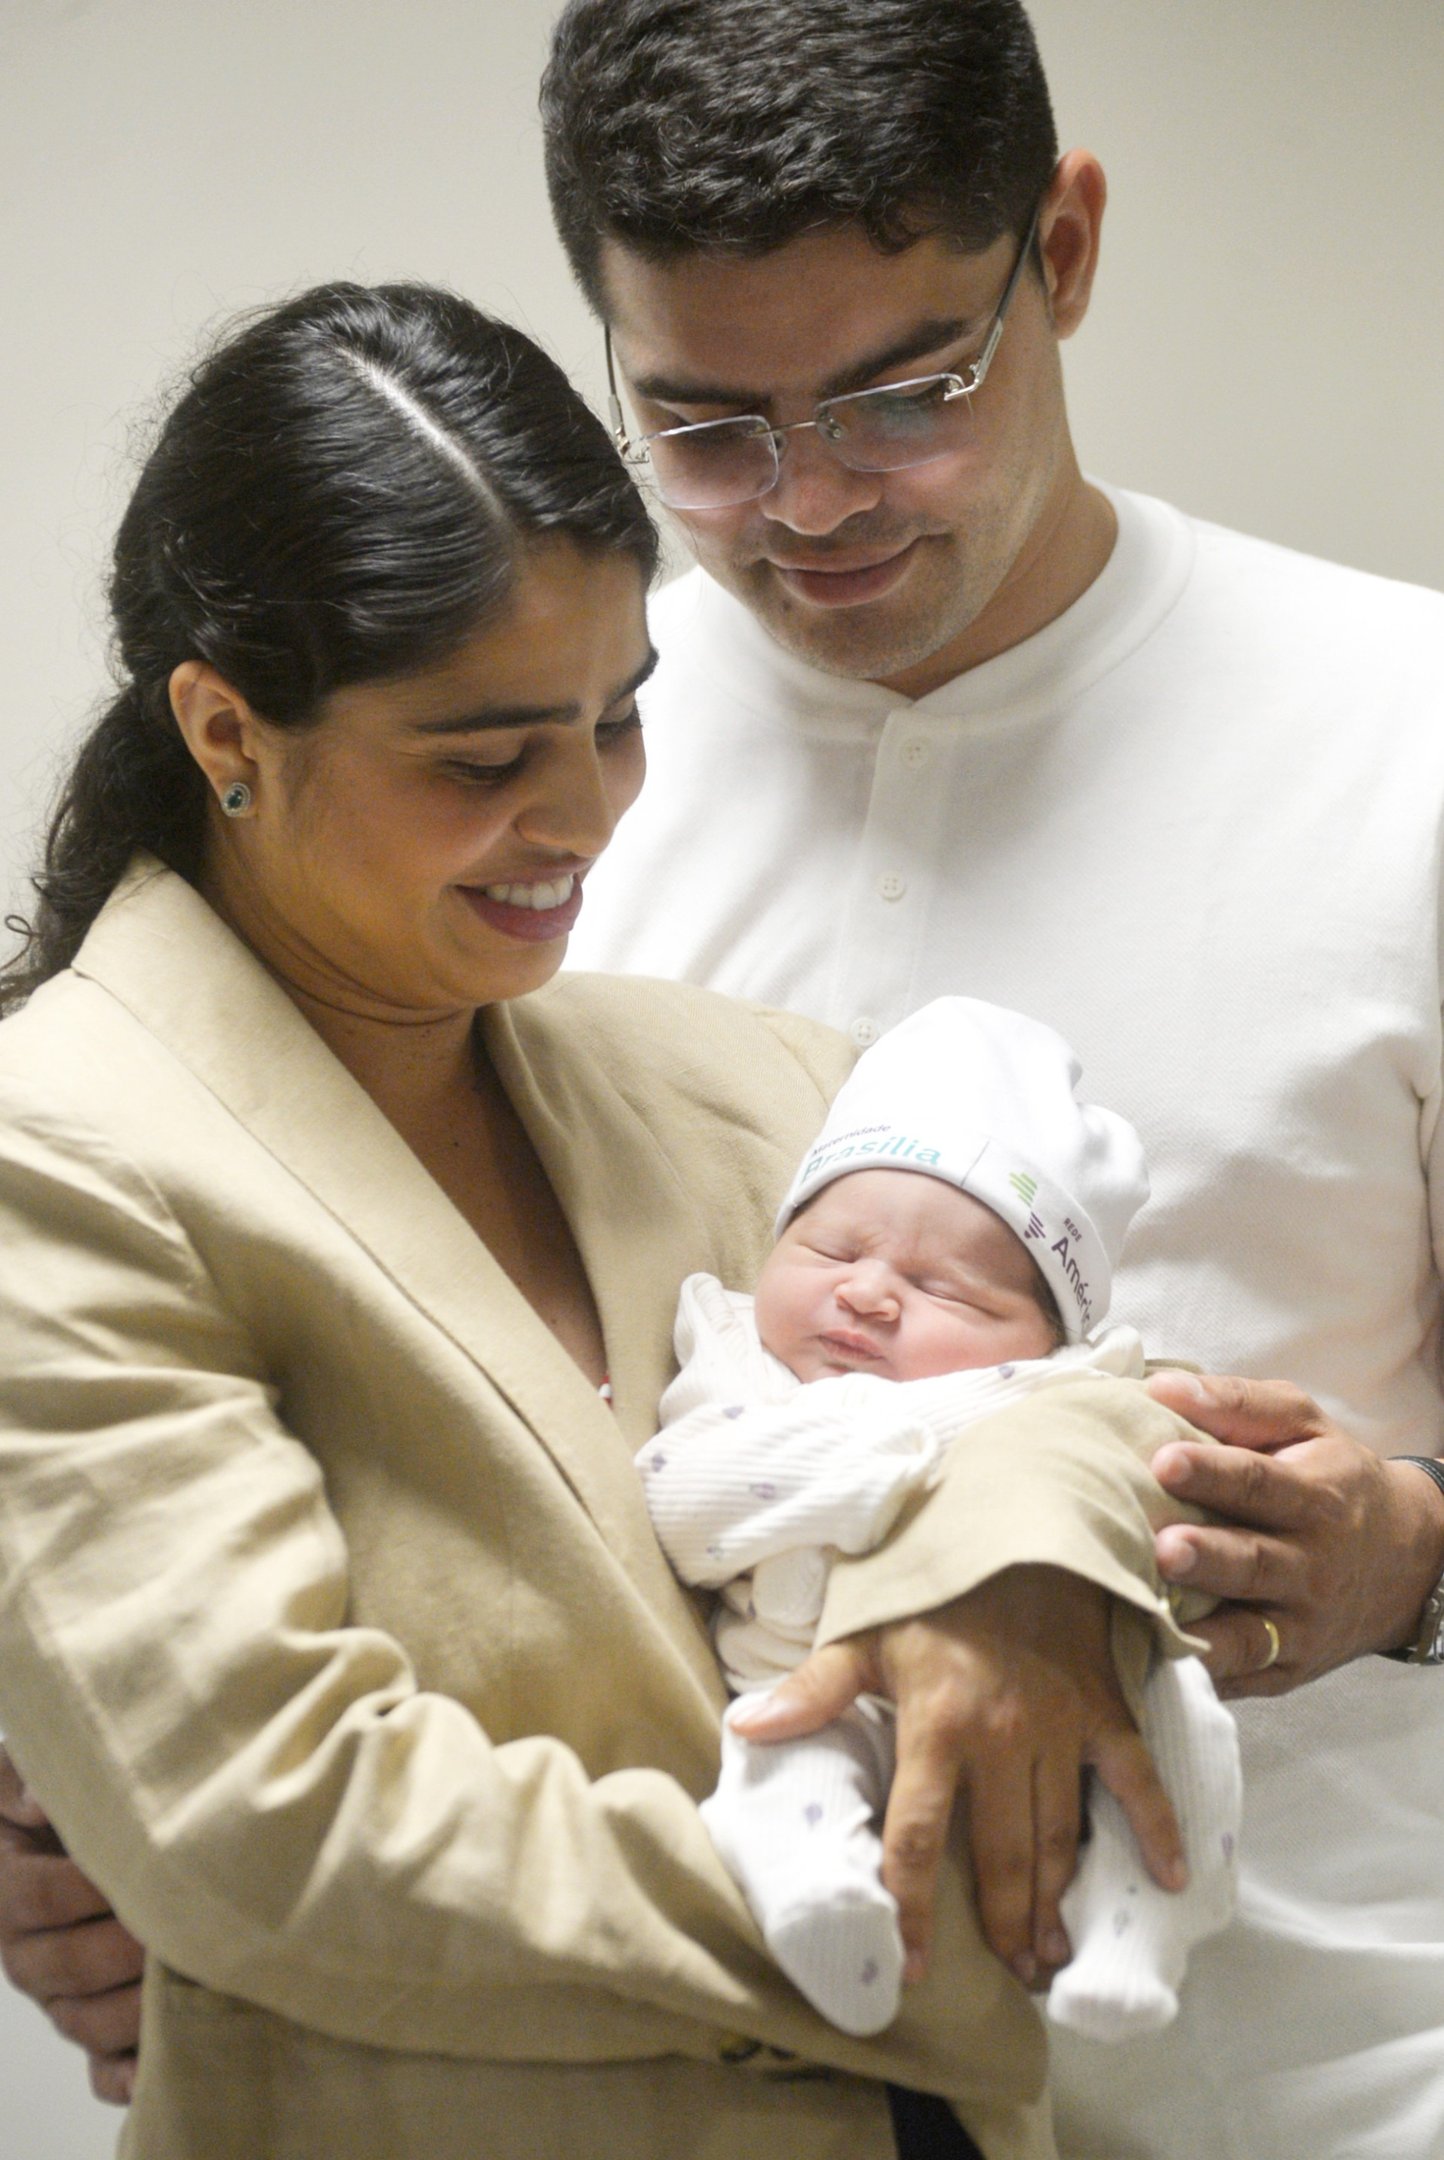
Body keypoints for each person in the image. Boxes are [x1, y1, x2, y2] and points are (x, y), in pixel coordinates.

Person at [0, 276, 1205, 2160]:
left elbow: (1096, 1389)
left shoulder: (759, 1087)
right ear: (227, 729)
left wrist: (1013, 1574)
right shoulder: (59, 1157)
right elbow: (274, 1831)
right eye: (482, 761)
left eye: (618, 721)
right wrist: (927, 1923)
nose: (583, 816)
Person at [535, 2, 1444, 2154]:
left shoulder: (1408, 747)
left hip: (1311, 2087)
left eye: (902, 390)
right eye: (705, 425)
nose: (812, 504)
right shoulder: (534, 788)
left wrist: (1402, 1564)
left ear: (1065, 246)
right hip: (682, 2074)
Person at [642, 997, 1240, 2043]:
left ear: (1048, 1339)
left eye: (944, 1291)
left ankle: (1147, 1920)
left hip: (1057, 1685)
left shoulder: (1078, 1387)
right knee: (779, 1748)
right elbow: (685, 1501)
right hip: (808, 1673)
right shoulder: (732, 1350)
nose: (869, 1295)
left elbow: (1163, 1461)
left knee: (1178, 1704)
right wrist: (905, 1455)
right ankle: (816, 1901)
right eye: (831, 1251)